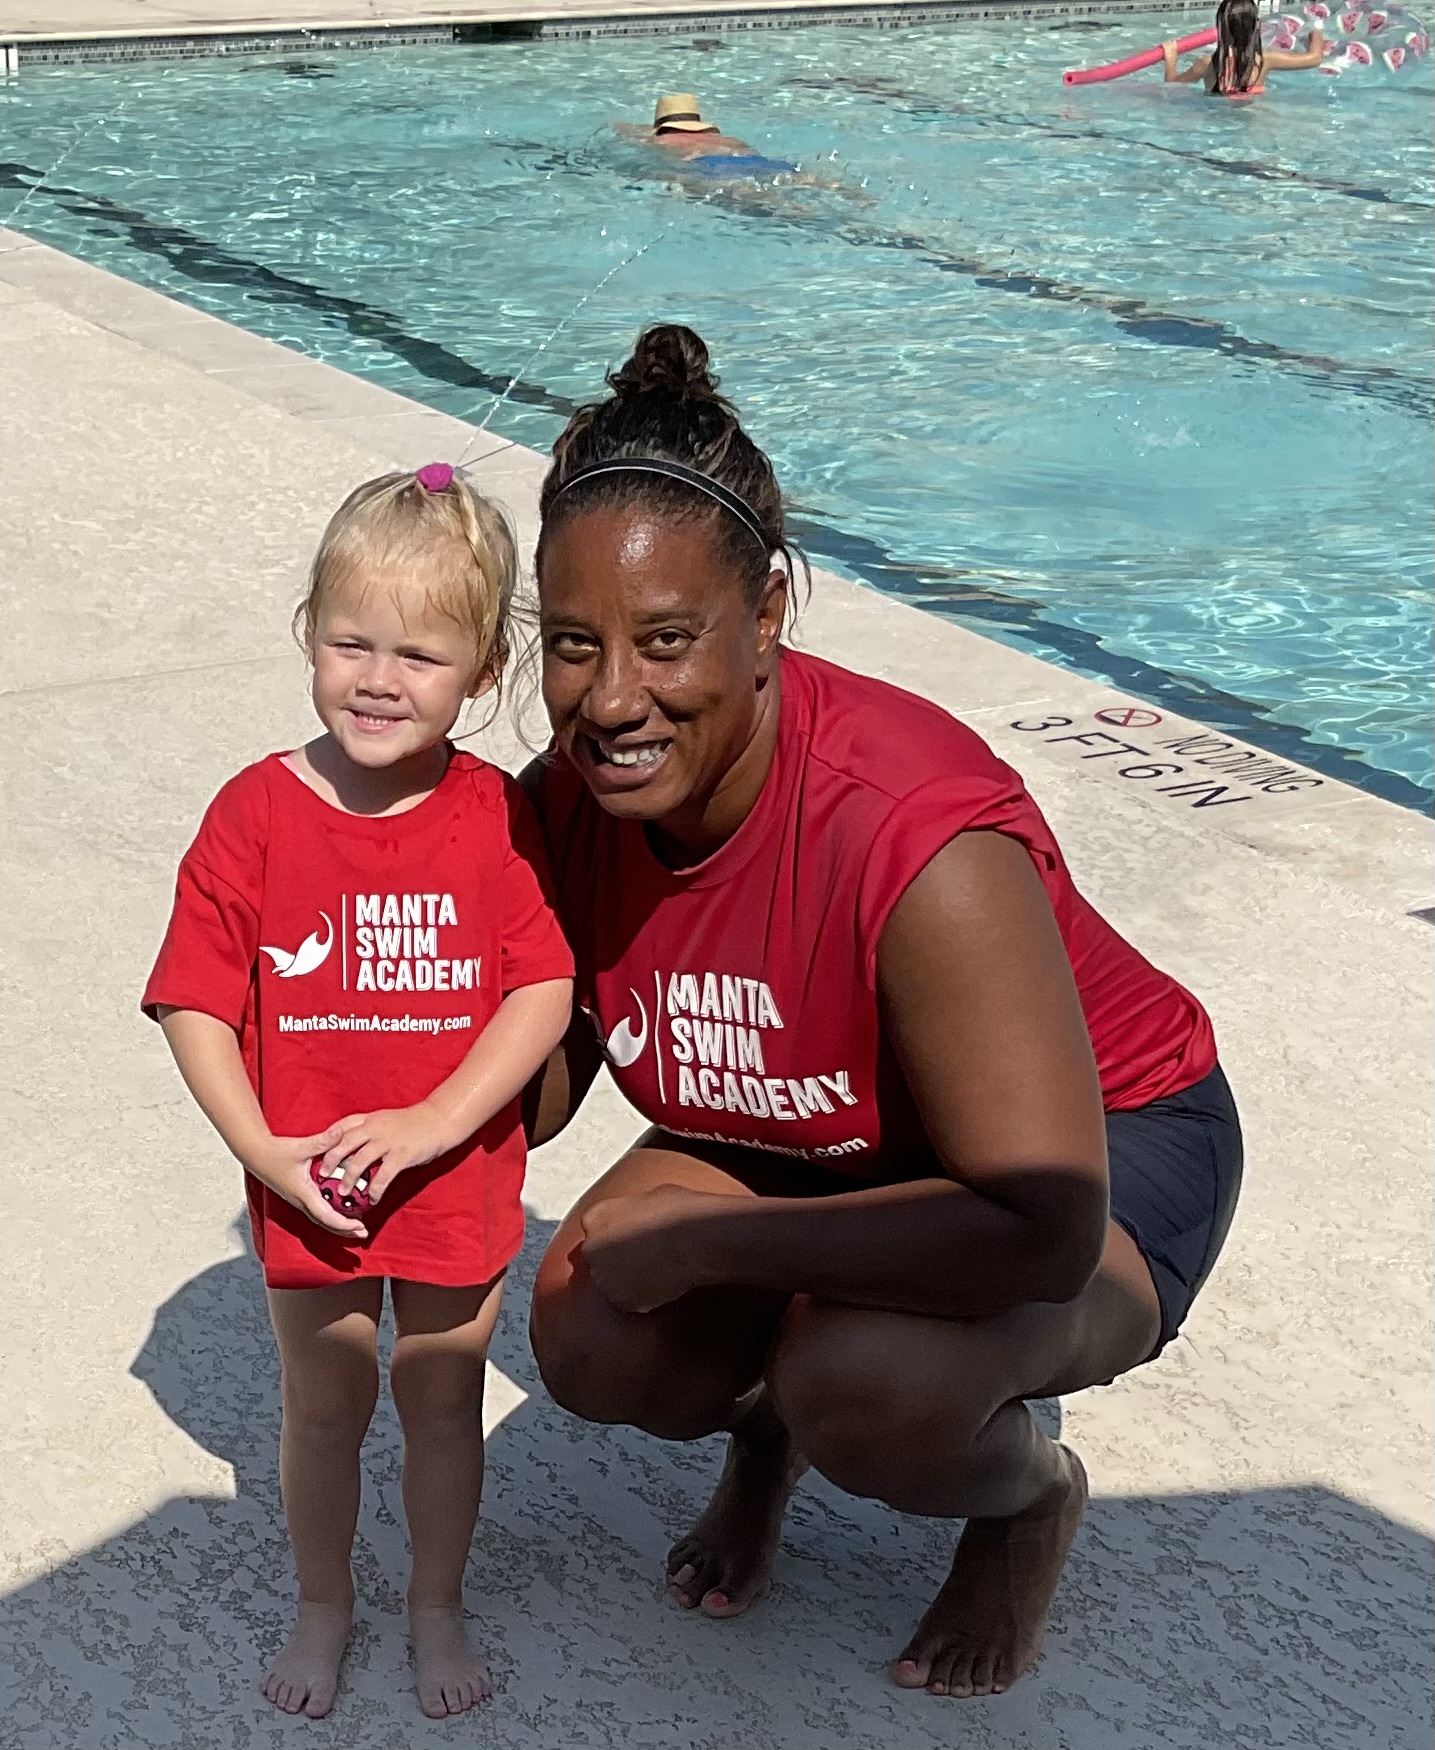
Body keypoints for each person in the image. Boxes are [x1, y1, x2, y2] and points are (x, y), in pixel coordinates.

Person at [519, 325, 1244, 1700]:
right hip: (823, 1125)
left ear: (767, 615)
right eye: (570, 646)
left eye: (665, 640)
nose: (610, 698)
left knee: (865, 1378)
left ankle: (1021, 1502)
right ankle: (761, 1440)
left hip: (1091, 1149)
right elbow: (542, 1072)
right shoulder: (570, 799)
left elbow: (1037, 1225)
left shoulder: (911, 832)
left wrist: (720, 1238)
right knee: (587, 1323)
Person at [142, 463, 574, 1721]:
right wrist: (265, 1152)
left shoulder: (495, 817)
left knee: (442, 1401)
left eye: (422, 656)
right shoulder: (256, 814)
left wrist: (439, 1122)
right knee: (324, 1406)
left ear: (483, 676)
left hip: (454, 1181)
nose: (379, 678)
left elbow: (539, 990)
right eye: (351, 642)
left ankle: (435, 1598)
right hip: (308, 1186)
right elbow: (194, 1001)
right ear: (308, 637)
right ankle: (323, 1597)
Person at [1163, 0, 1326, 95]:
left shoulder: (1207, 64)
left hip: (1216, 123)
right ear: (1257, 25)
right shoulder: (1264, 60)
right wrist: (1315, 28)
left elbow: (1172, 82)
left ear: (1220, 25)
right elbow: (1314, 58)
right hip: (1255, 120)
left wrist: (1171, 58)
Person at [636, 92, 797, 179]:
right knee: (803, 180)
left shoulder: (662, 140)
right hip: (759, 161)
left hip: (713, 165)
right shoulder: (728, 140)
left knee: (764, 200)